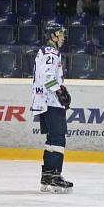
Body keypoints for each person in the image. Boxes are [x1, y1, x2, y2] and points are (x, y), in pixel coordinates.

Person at [30, 22, 73, 193]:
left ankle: (48, 175)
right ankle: (54, 176)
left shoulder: (45, 51)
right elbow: (47, 75)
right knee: (58, 138)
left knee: (51, 139)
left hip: (44, 101)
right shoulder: (51, 52)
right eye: (60, 34)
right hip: (50, 101)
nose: (62, 37)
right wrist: (60, 91)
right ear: (53, 36)